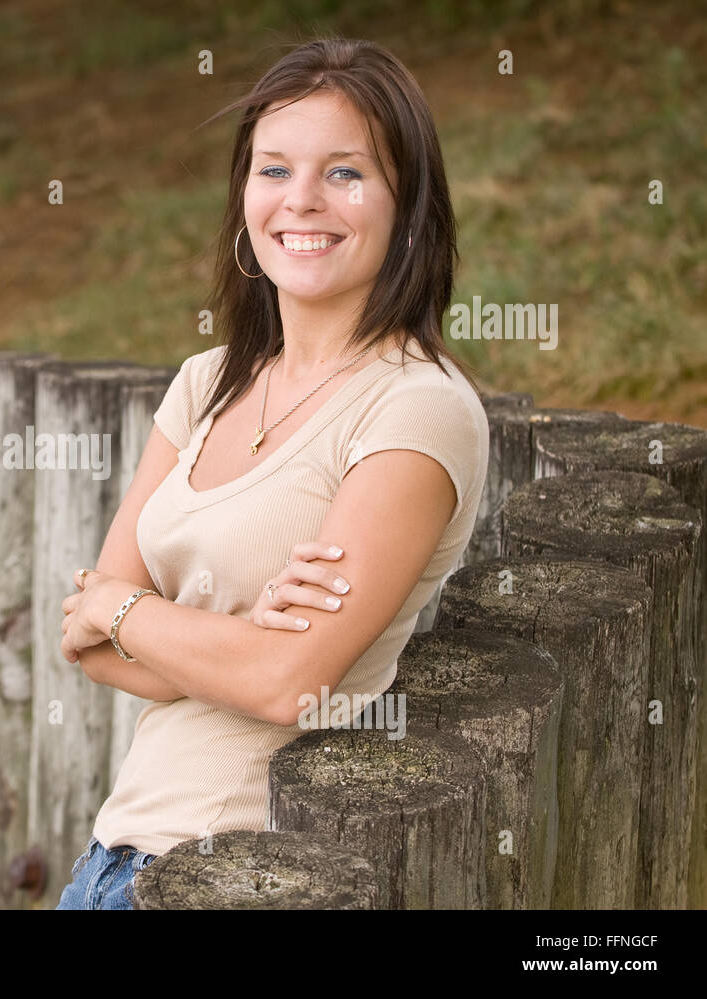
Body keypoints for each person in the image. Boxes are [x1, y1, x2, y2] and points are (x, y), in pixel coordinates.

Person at [54, 36, 490, 910]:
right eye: (274, 169)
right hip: (111, 860)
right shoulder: (204, 383)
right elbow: (86, 643)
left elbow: (292, 682)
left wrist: (131, 608)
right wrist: (239, 634)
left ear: (408, 206)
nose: (300, 200)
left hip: (244, 877)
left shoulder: (417, 409)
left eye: (344, 173)